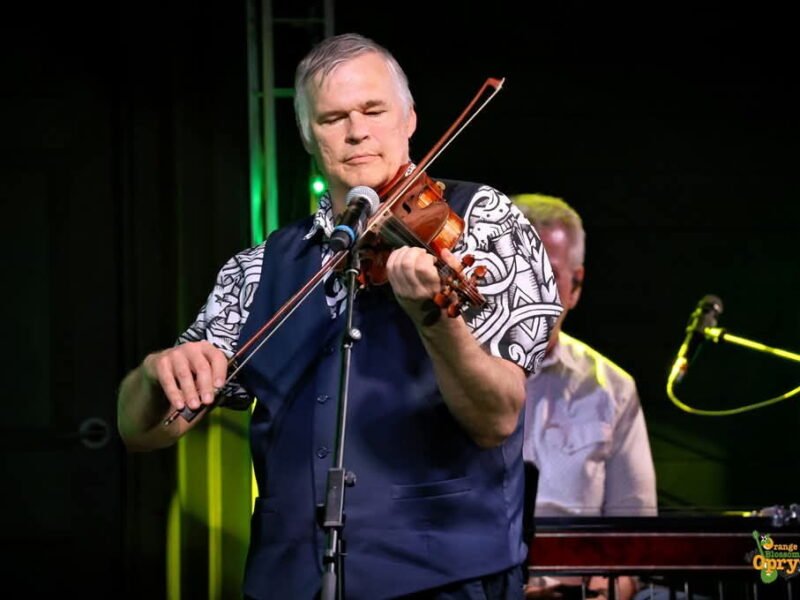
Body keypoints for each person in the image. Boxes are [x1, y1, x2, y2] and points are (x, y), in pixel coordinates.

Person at [118, 34, 562, 600]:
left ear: (409, 120)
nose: (356, 131)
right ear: (308, 135)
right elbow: (141, 431)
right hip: (290, 582)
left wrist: (434, 318)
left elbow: (496, 418)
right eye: (332, 118)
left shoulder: (483, 226)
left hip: (445, 579)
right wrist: (158, 372)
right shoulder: (261, 267)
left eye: (373, 111)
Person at [511, 194, 657, 600]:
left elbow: (637, 537)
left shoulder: (614, 387)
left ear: (576, 286)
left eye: (549, 275)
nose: (529, 291)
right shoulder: (444, 372)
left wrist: (607, 590)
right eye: (518, 271)